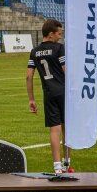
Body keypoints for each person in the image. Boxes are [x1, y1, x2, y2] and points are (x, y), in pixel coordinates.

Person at [26, 19, 72, 174]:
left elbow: (28, 77)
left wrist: (31, 99)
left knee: (54, 129)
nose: (60, 37)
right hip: (64, 91)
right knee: (67, 128)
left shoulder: (34, 51)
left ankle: (57, 167)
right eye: (59, 33)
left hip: (49, 93)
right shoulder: (59, 48)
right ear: (51, 34)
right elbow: (66, 70)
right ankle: (67, 164)